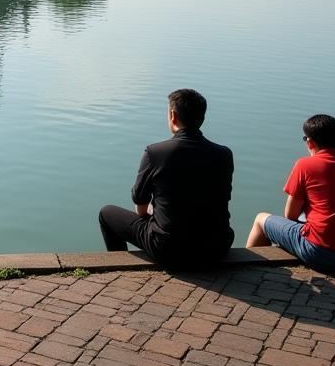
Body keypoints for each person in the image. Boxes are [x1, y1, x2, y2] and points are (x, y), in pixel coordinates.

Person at [98, 89, 234, 268]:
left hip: (169, 250)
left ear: (173, 116)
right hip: (217, 247)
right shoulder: (223, 154)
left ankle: (119, 268)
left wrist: (152, 214)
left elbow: (140, 204)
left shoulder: (155, 152)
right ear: (202, 118)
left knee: (106, 213)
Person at [247, 114, 335, 272]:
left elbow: (290, 215)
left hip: (322, 255)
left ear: (309, 142)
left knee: (260, 220)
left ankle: (248, 272)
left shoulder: (305, 165)